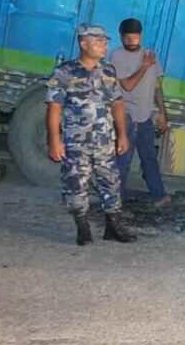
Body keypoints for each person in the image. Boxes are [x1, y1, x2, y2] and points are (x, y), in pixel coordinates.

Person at [46, 24, 135, 246]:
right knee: (76, 184)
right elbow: (54, 108)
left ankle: (113, 226)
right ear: (83, 44)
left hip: (104, 140)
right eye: (98, 41)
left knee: (111, 182)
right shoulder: (64, 72)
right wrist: (54, 140)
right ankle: (82, 227)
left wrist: (122, 134)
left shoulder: (108, 72)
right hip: (77, 142)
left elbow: (117, 104)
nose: (104, 45)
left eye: (105, 41)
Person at [109, 18, 170, 207]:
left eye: (134, 37)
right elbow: (127, 85)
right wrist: (144, 66)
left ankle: (158, 196)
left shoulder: (150, 54)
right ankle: (113, 201)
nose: (130, 41)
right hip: (126, 117)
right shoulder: (116, 56)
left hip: (145, 117)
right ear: (121, 38)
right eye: (127, 38)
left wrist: (162, 112)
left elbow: (157, 87)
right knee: (122, 161)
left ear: (140, 36)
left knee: (149, 159)